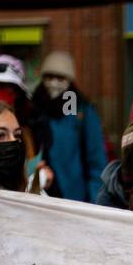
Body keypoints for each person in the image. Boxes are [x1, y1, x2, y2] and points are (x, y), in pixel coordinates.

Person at [31, 50, 107, 203]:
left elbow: (96, 162)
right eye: (49, 77)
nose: (54, 83)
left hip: (72, 199)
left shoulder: (80, 111)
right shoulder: (33, 107)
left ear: (69, 80)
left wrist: (95, 205)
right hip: (35, 197)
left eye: (60, 78)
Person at [0, 52, 51, 191]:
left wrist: (39, 177)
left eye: (3, 86)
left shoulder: (30, 133)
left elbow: (29, 174)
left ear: (18, 93)